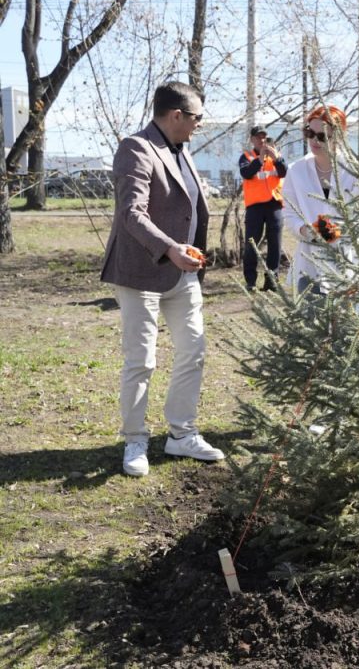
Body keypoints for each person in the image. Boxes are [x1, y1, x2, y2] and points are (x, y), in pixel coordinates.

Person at [100, 81, 226, 477]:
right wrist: (171, 247)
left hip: (183, 272)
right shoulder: (135, 148)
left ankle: (181, 434)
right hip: (141, 271)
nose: (198, 127)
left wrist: (185, 254)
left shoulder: (182, 150)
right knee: (141, 360)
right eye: (197, 119)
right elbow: (131, 214)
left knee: (194, 350)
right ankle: (136, 439)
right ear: (177, 115)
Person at [281, 105, 359, 295]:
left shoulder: (357, 173)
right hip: (309, 264)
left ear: (339, 137)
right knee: (310, 320)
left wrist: (338, 232)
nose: (314, 140)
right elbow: (289, 211)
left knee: (346, 323)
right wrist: (304, 230)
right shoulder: (296, 171)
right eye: (309, 132)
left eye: (323, 136)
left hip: (348, 264)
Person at [239, 126, 288, 292]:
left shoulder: (276, 156)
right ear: (252, 139)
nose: (262, 141)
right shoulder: (246, 157)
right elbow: (246, 173)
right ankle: (251, 281)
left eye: (264, 138)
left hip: (274, 204)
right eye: (258, 138)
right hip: (255, 207)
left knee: (275, 245)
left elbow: (284, 172)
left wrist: (275, 158)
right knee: (251, 244)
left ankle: (271, 282)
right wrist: (259, 159)